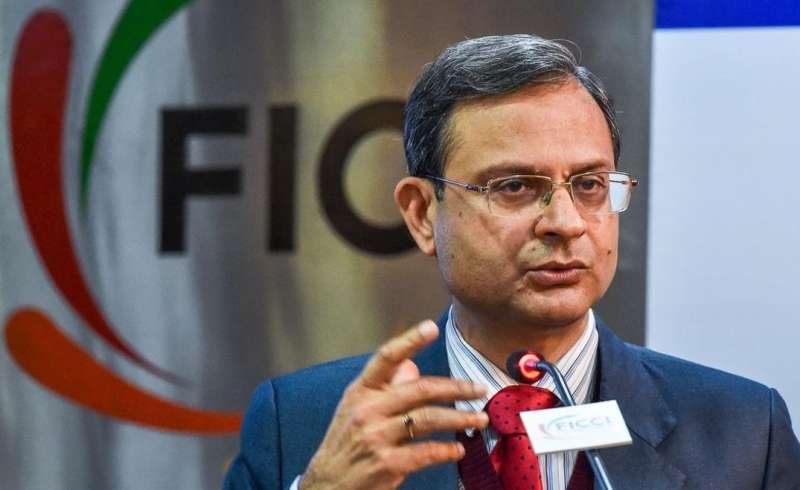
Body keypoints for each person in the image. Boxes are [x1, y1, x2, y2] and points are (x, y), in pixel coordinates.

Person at [224, 34, 800, 490]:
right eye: (515, 187)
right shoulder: (300, 424)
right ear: (422, 213)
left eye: (590, 184)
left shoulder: (745, 430)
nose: (566, 223)